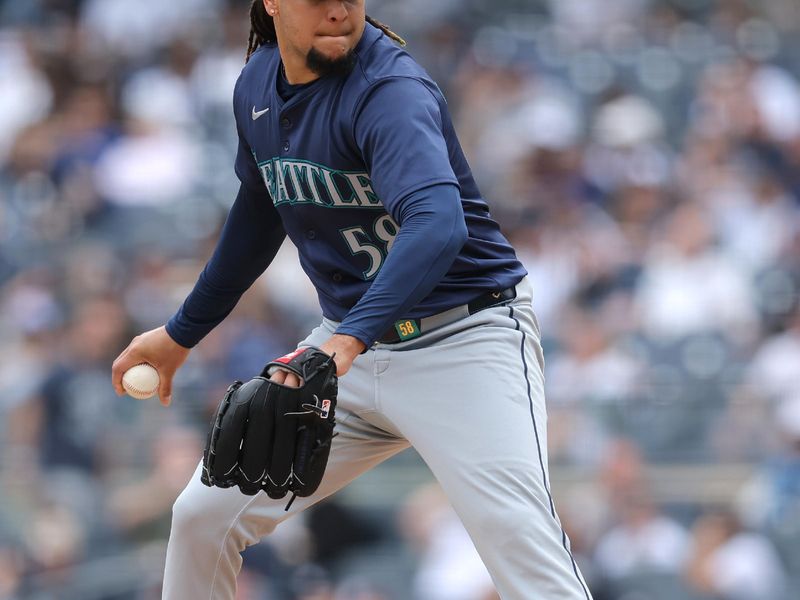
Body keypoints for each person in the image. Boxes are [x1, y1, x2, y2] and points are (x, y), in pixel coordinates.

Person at [111, 1, 592, 598]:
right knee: (202, 518)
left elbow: (438, 224)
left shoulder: (389, 89)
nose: (339, 11)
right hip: (349, 350)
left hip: (464, 342)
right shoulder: (257, 83)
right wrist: (182, 332)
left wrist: (345, 340)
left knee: (527, 558)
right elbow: (262, 209)